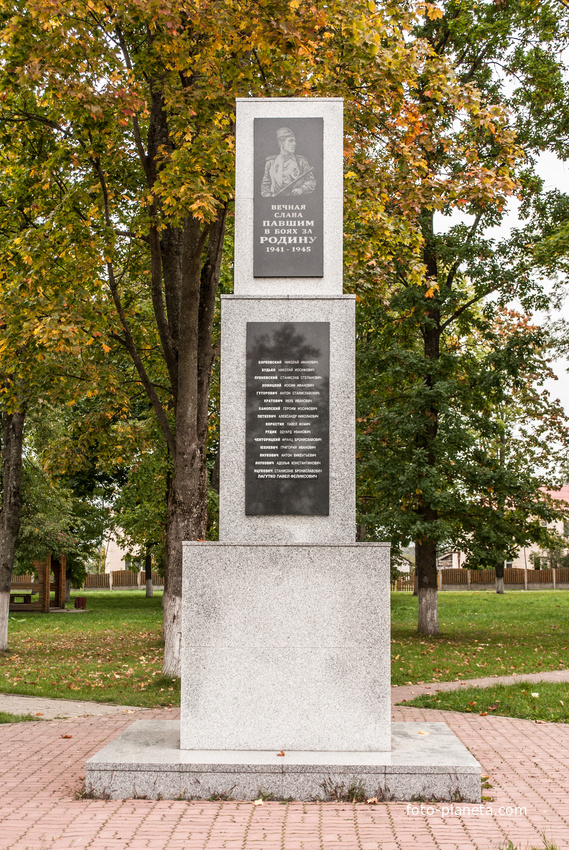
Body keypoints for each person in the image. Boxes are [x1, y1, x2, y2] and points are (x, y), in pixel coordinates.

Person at [260, 127, 316, 197]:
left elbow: (311, 181)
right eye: (291, 141)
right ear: (281, 143)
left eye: (294, 141)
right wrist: (268, 196)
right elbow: (265, 185)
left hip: (296, 202)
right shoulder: (271, 162)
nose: (294, 144)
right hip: (276, 202)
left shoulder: (301, 161)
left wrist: (302, 189)